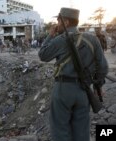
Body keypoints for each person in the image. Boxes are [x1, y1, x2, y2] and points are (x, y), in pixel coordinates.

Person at [38, 7, 108, 141]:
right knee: (82, 133)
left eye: (58, 21)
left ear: (66, 22)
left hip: (63, 90)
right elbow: (103, 68)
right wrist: (97, 87)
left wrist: (50, 35)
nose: (57, 24)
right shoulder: (92, 39)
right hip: (83, 91)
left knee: (60, 131)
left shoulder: (60, 39)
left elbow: (42, 55)